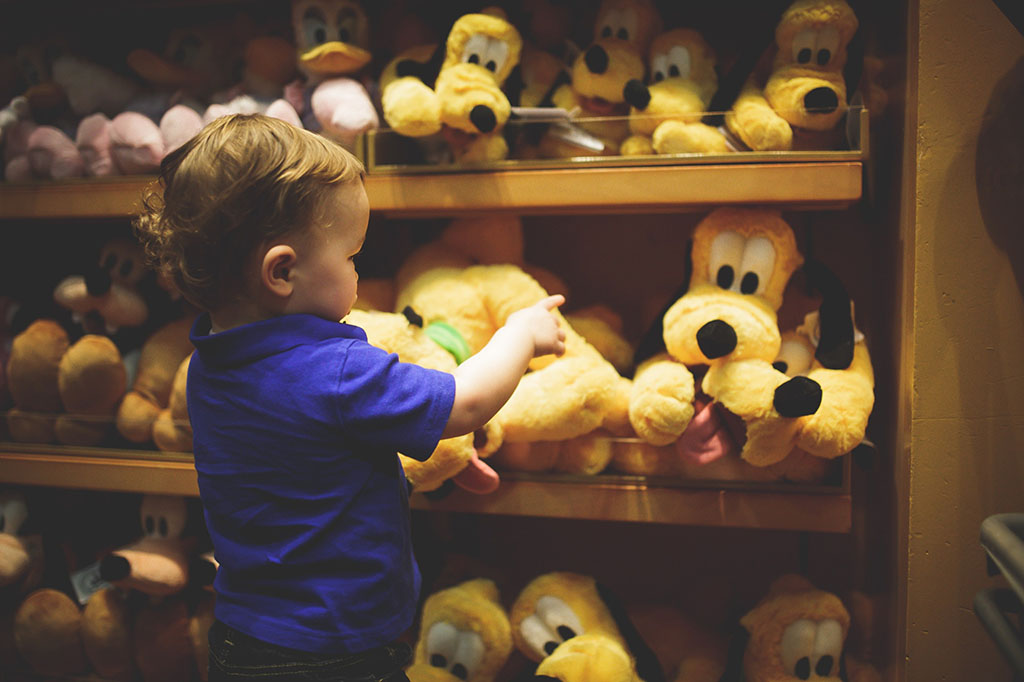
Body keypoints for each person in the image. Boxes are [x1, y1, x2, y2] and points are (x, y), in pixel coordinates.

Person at [133, 113, 566, 681]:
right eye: (351, 257)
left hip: (243, 638)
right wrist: (519, 333)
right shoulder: (336, 371)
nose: (358, 272)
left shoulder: (206, 367)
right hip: (338, 648)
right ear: (281, 271)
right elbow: (466, 405)